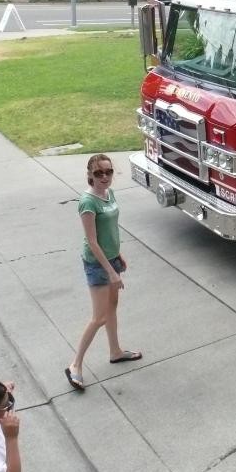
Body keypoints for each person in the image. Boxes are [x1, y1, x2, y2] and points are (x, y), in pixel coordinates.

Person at [65, 154, 141, 391]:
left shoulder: (109, 194)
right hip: (98, 264)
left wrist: (118, 255)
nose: (105, 177)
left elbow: (111, 229)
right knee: (99, 317)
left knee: (112, 309)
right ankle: (75, 365)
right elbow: (92, 241)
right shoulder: (88, 202)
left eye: (108, 172)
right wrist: (111, 272)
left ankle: (115, 351)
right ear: (90, 175)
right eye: (99, 173)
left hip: (111, 259)